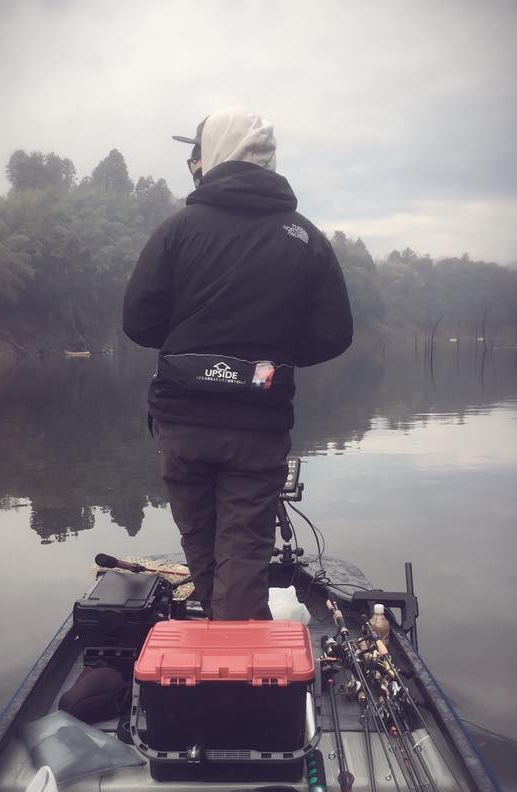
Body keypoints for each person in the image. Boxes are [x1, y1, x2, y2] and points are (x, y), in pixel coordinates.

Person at [123, 106, 353, 620]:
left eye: (197, 155)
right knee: (244, 552)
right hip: (259, 427)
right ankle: (237, 658)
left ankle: (222, 654)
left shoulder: (175, 231)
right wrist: (277, 353)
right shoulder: (306, 238)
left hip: (182, 423)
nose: (193, 164)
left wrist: (192, 349)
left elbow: (139, 324)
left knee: (201, 546)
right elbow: (333, 335)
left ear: (215, 156)